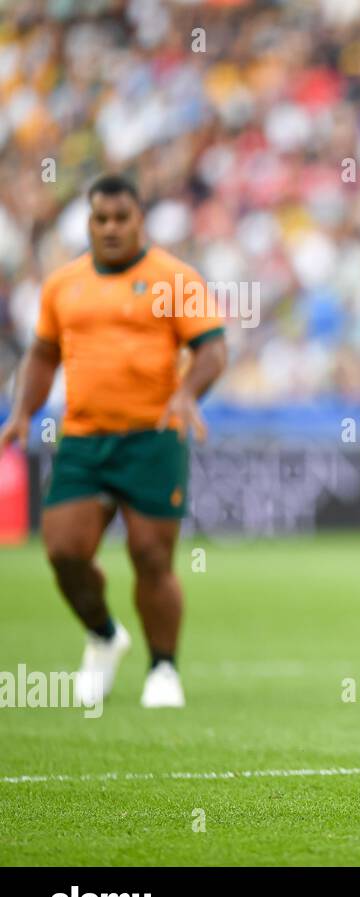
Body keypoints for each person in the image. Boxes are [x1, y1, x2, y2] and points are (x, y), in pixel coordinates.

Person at [0, 174, 227, 709]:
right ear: (89, 222)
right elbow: (43, 354)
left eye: (121, 218)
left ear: (139, 219)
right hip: (83, 438)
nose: (110, 228)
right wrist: (23, 413)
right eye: (100, 219)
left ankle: (163, 668)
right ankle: (104, 635)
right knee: (63, 551)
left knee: (152, 556)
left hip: (152, 438)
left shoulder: (174, 278)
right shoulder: (63, 285)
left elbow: (213, 350)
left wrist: (188, 392)